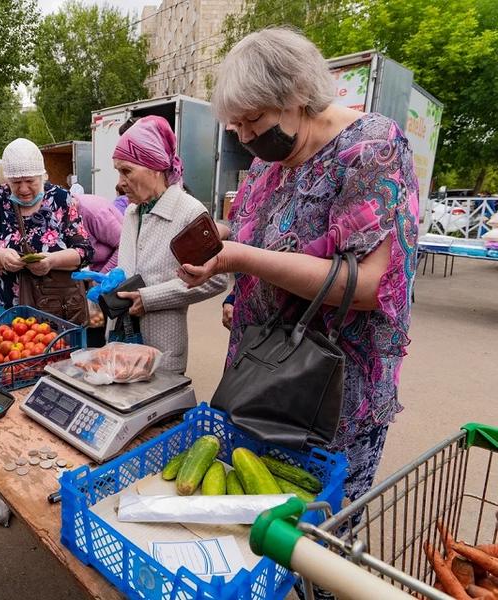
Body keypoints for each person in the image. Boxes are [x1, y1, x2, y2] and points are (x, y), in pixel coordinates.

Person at [178, 28, 419, 507]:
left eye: (253, 120)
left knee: (320, 520)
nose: (246, 136)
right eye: (236, 126)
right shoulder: (269, 165)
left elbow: (368, 286)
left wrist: (239, 258)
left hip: (326, 389)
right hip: (262, 373)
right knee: (257, 509)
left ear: (298, 94)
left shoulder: (371, 149)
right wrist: (220, 240)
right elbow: (258, 233)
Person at [112, 116, 227, 373]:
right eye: (118, 172)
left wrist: (150, 299)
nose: (119, 183)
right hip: (123, 339)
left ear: (154, 167)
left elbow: (216, 278)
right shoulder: (132, 212)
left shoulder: (189, 211)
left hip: (163, 348)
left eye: (126, 171)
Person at [0, 138, 93, 313]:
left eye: (30, 181)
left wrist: (51, 261)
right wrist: (1, 257)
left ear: (42, 176)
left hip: (57, 306)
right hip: (10, 306)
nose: (23, 189)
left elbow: (84, 251)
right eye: (16, 182)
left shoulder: (60, 198)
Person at [72, 194, 122, 274]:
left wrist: (101, 276)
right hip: (95, 271)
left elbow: (124, 245)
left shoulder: (94, 214)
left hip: (115, 274)